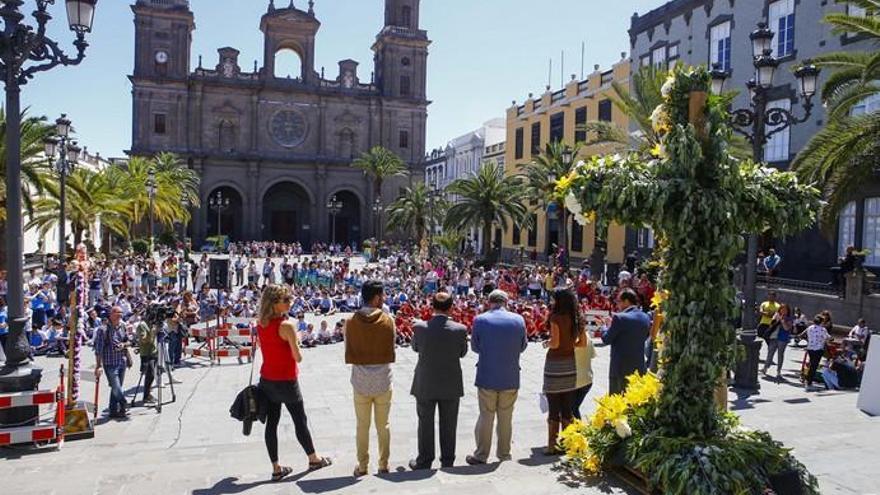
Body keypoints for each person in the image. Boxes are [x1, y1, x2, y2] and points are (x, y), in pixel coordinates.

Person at [256, 285, 331, 481]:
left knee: (271, 424)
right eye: (286, 300)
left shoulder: (260, 323)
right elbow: (298, 357)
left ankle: (276, 467)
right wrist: (296, 339)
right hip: (287, 380)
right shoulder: (287, 325)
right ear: (275, 303)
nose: (291, 302)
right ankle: (313, 458)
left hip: (267, 379)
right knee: (300, 420)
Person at [465, 290, 528, 466]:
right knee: (506, 417)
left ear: (489, 301)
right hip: (510, 375)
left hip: (487, 375)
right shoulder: (518, 320)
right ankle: (504, 454)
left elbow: (475, 347)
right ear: (506, 302)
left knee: (486, 416)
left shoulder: (480, 319)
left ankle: (481, 455)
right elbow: (523, 346)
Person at [409, 292, 468, 470]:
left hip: (426, 381)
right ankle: (448, 460)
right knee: (449, 423)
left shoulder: (420, 327)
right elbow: (462, 353)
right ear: (451, 307)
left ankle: (425, 460)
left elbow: (414, 347)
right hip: (450, 382)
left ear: (431, 306)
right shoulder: (460, 329)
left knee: (425, 422)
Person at [345, 280, 396, 477]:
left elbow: (349, 348)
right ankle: (383, 464)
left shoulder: (350, 321)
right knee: (383, 425)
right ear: (376, 298)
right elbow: (392, 346)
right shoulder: (388, 320)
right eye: (382, 296)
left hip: (360, 382)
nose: (383, 299)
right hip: (383, 380)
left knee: (362, 425)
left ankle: (363, 465)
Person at [542, 288, 587, 455]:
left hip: (555, 363)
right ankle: (567, 443)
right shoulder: (578, 318)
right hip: (570, 363)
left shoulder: (555, 317)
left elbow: (554, 343)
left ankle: (551, 445)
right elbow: (582, 343)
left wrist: (547, 343)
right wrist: (569, 346)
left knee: (554, 404)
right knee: (567, 405)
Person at [602, 289, 651, 394]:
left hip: (620, 369)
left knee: (617, 403)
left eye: (618, 301)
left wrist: (605, 327)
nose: (617, 304)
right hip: (639, 367)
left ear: (627, 301)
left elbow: (606, 339)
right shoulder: (645, 317)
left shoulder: (619, 318)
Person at [94, 306, 132, 419]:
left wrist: (124, 345)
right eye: (117, 313)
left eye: (121, 313)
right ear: (111, 314)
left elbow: (128, 341)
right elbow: (98, 350)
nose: (120, 315)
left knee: (117, 386)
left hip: (122, 361)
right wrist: (98, 366)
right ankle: (124, 403)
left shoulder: (122, 326)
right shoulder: (103, 329)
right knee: (116, 387)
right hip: (110, 363)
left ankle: (113, 410)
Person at [763, 303, 793, 379]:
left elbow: (787, 328)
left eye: (785, 310)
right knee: (770, 352)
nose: (783, 311)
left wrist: (783, 321)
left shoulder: (789, 318)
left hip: (783, 338)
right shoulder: (776, 315)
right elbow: (771, 325)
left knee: (780, 354)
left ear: (788, 311)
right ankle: (765, 367)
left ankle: (778, 371)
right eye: (782, 309)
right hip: (774, 337)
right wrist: (776, 320)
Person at [134, 314, 158, 404]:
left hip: (154, 352)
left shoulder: (153, 324)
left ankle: (147, 394)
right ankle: (146, 395)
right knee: (150, 374)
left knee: (151, 375)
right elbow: (143, 339)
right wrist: (152, 331)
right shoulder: (142, 325)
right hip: (146, 353)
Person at [804, 315, 831, 391]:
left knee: (811, 365)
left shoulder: (809, 328)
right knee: (814, 366)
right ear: (821, 322)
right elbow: (828, 337)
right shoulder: (823, 329)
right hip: (818, 349)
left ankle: (808, 381)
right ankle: (808, 383)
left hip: (810, 348)